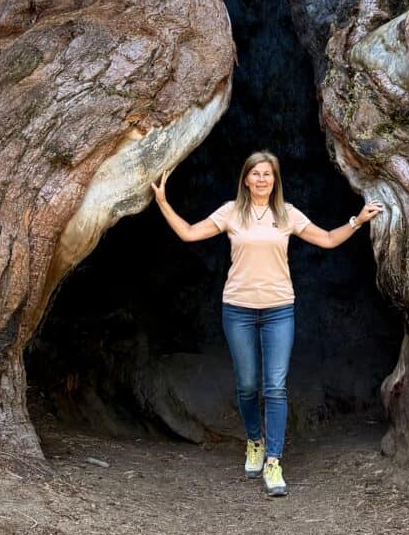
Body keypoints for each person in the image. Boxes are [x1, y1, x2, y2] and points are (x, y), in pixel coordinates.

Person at [150, 151, 382, 497]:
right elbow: (187, 233)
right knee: (246, 385)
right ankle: (254, 440)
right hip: (238, 310)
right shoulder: (231, 212)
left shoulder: (286, 214)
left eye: (268, 174)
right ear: (246, 179)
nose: (262, 179)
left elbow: (328, 239)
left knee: (275, 386)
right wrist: (163, 201)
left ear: (275, 180)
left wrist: (358, 220)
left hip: (278, 310)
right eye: (256, 174)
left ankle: (273, 461)